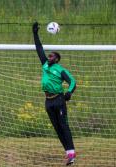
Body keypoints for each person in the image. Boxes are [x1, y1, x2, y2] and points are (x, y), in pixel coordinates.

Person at [32, 22, 77, 166]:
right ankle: (68, 154)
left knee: (64, 125)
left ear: (56, 59)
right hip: (48, 101)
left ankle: (72, 154)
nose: (48, 57)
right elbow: (39, 49)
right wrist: (35, 33)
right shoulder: (45, 65)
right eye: (49, 55)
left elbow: (73, 82)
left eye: (51, 56)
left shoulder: (60, 69)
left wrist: (69, 93)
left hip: (58, 100)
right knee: (57, 128)